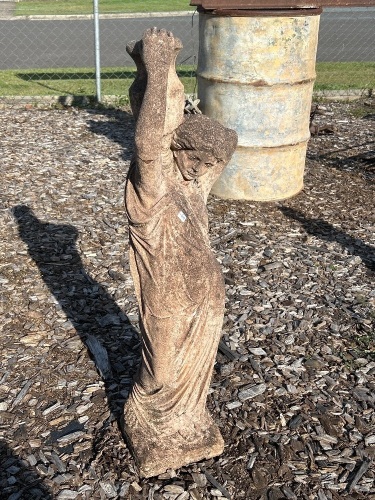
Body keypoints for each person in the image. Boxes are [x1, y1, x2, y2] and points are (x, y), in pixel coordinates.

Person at [122, 28, 237, 477]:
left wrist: (168, 73)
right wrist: (154, 72)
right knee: (162, 374)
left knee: (195, 375)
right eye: (197, 160)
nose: (204, 170)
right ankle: (147, 415)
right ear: (178, 148)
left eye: (210, 165)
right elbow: (149, 141)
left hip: (207, 294)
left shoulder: (194, 189)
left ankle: (187, 420)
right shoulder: (151, 190)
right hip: (167, 295)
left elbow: (220, 148)